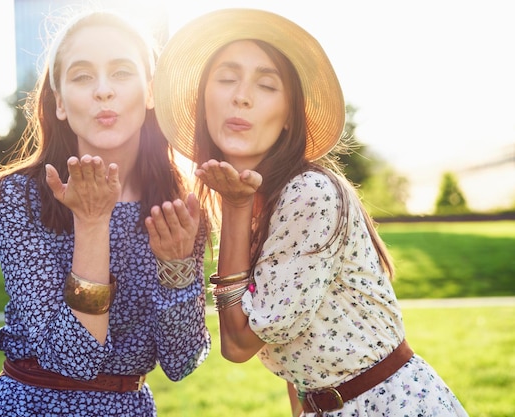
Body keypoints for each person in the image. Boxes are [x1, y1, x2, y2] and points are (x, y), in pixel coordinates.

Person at [153, 8, 468, 417]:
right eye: (227, 79)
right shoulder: (263, 203)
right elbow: (296, 367)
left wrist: (234, 206)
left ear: (289, 118)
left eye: (266, 85)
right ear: (204, 103)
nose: (241, 95)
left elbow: (238, 344)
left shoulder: (308, 193)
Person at [0, 10, 210, 417]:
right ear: (60, 102)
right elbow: (74, 359)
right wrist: (92, 222)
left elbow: (181, 363)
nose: (103, 91)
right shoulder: (19, 197)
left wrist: (176, 269)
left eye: (121, 73)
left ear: (150, 92)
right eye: (83, 76)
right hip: (30, 405)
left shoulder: (178, 208)